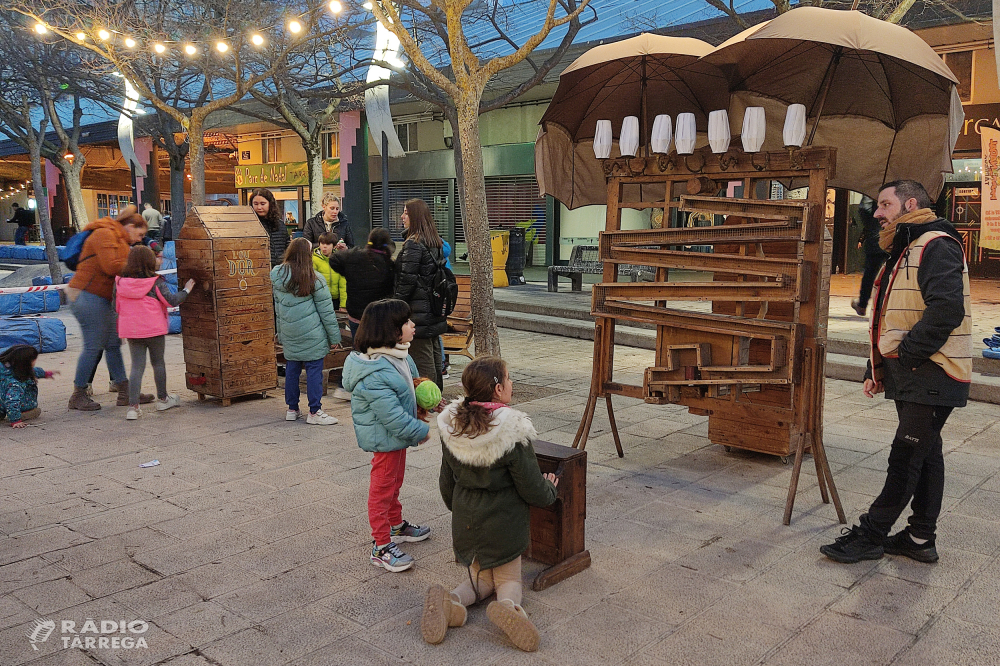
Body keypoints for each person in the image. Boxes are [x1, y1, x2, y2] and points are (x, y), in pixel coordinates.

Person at [820, 180, 972, 565]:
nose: (877, 213)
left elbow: (946, 310)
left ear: (909, 204)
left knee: (905, 457)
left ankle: (871, 534)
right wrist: (880, 367)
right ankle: (921, 538)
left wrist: (905, 355)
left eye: (885, 204)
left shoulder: (935, 243)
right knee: (927, 453)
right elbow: (895, 314)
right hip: (915, 371)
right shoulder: (905, 246)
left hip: (933, 372)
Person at [421, 356, 558, 652]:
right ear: (497, 389)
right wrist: (550, 490)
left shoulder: (452, 427)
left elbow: (447, 481)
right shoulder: (512, 431)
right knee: (508, 578)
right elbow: (531, 485)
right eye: (508, 379)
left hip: (466, 518)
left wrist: (457, 509)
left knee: (479, 577)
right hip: (503, 519)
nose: (511, 383)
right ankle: (508, 607)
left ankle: (453, 603)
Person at [341, 298, 432, 572]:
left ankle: (396, 525)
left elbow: (408, 389)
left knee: (395, 482)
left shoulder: (400, 355)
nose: (412, 325)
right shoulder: (374, 371)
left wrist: (427, 401)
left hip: (396, 439)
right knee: (382, 489)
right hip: (385, 438)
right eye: (406, 322)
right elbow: (391, 415)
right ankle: (380, 545)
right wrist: (421, 430)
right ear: (390, 330)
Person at [67, 206, 154, 411]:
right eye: (140, 234)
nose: (140, 239)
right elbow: (111, 266)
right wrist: (142, 264)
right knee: (93, 345)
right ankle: (78, 394)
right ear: (130, 226)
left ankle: (125, 392)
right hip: (86, 295)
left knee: (114, 343)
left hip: (100, 297)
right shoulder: (105, 233)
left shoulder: (120, 239)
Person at [114, 245, 194, 420]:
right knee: (158, 363)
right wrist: (187, 289)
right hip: (154, 328)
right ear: (150, 261)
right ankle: (163, 399)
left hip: (132, 329)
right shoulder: (155, 282)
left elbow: (116, 306)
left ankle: (133, 408)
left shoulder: (119, 282)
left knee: (137, 366)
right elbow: (171, 301)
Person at [271, 237, 341, 426]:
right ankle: (315, 411)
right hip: (312, 334)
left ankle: (292, 409)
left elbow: (278, 308)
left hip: (289, 332)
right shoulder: (314, 279)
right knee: (313, 372)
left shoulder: (277, 276)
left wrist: (280, 332)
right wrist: (335, 337)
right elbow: (326, 312)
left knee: (292, 370)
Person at [394, 199, 448, 389]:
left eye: (406, 213)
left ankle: (428, 401)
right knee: (433, 357)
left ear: (415, 217)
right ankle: (436, 397)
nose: (402, 216)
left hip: (418, 311)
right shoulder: (435, 241)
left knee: (421, 360)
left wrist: (395, 307)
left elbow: (406, 280)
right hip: (433, 309)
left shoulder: (414, 243)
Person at [329, 228, 396, 342]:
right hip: (379, 318)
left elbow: (334, 260)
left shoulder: (355, 256)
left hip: (356, 316)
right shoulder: (388, 264)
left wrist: (347, 272)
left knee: (358, 350)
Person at [0, 345, 57, 427]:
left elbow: (32, 371)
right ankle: (20, 414)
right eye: (33, 360)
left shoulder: (9, 368)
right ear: (25, 364)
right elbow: (12, 401)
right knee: (35, 411)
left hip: (1, 402)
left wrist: (44, 373)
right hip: (17, 403)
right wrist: (16, 421)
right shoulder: (15, 384)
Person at [851, 196, 889, 317]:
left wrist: (869, 225)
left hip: (876, 238)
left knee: (870, 273)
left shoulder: (875, 192)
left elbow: (864, 209)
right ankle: (883, 306)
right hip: (890, 237)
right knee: (889, 273)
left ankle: (862, 305)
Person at [251, 188, 289, 268]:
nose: (259, 207)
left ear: (270, 204)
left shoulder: (280, 224)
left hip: (280, 269)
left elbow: (287, 246)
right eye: (255, 204)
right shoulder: (249, 225)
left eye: (262, 204)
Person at [311, 231, 347, 311]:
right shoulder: (314, 260)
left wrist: (343, 305)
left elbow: (343, 284)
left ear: (334, 246)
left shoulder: (339, 260)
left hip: (335, 300)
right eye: (322, 243)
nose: (324, 247)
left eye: (327, 244)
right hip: (320, 299)